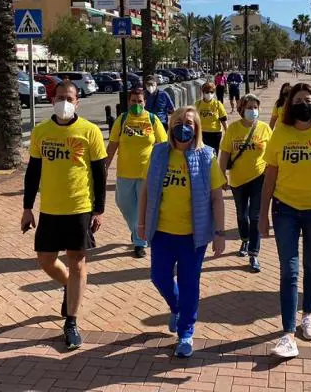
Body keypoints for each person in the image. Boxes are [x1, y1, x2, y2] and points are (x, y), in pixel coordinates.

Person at [259, 82, 311, 358]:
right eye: (297, 100)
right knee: (289, 270)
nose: (303, 104)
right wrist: (262, 215)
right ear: (288, 105)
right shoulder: (279, 133)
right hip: (284, 209)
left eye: (307, 99)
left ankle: (307, 315)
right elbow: (269, 176)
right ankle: (287, 334)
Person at [21, 81, 107, 350]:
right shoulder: (41, 132)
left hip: (79, 208)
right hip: (50, 209)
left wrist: (99, 209)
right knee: (46, 261)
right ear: (52, 100)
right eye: (59, 97)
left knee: (77, 263)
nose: (64, 102)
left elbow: (99, 174)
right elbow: (33, 171)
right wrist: (27, 208)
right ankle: (71, 287)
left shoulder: (89, 131)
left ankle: (71, 320)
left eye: (69, 98)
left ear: (77, 101)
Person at [138, 107, 226, 358]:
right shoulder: (158, 153)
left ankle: (186, 333)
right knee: (159, 277)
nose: (183, 126)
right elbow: (145, 191)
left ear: (197, 127)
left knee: (190, 285)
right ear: (170, 125)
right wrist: (142, 225)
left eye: (188, 122)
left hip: (193, 236)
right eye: (178, 122)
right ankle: (176, 307)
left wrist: (219, 233)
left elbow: (217, 198)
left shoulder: (206, 156)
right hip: (162, 232)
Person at [105, 87, 167, 258]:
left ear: (145, 102)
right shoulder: (122, 120)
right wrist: (103, 168)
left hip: (146, 174)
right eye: (133, 101)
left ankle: (139, 242)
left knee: (142, 208)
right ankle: (136, 230)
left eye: (140, 101)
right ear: (128, 101)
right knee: (123, 204)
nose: (136, 104)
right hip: (124, 173)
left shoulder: (153, 120)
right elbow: (112, 146)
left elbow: (164, 146)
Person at [219, 94, 272, 271]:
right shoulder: (233, 129)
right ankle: (244, 240)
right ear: (242, 109)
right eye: (249, 107)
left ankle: (254, 254)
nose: (252, 111)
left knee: (255, 216)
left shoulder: (264, 129)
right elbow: (225, 153)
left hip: (259, 178)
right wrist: (221, 176)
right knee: (242, 215)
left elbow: (273, 155)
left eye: (255, 107)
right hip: (237, 180)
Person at [195, 82, 228, 155]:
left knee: (214, 154)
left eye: (211, 92)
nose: (209, 94)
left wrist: (227, 132)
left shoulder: (217, 104)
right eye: (207, 92)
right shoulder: (198, 104)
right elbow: (193, 119)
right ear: (203, 92)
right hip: (202, 133)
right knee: (202, 153)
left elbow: (223, 120)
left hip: (215, 133)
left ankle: (214, 166)